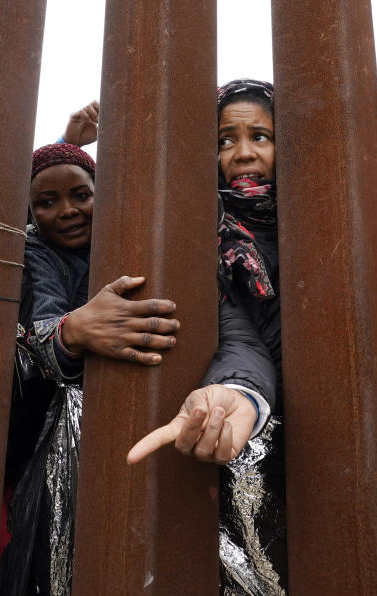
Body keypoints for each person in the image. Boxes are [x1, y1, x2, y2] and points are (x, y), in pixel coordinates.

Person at [0, 143, 180, 596]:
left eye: (81, 195)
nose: (68, 211)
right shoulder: (35, 254)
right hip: (55, 444)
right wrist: (74, 332)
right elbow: (46, 323)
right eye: (47, 203)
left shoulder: (136, 235)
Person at [127, 79, 278, 465]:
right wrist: (240, 391)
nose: (243, 154)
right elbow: (238, 334)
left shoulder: (324, 225)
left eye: (260, 136)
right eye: (225, 141)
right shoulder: (206, 235)